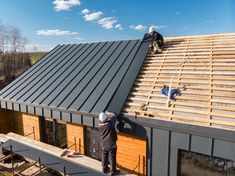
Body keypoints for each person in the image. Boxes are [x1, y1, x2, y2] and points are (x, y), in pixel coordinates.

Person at [98, 111, 120, 175]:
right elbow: (113, 117)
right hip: (111, 145)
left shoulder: (99, 126)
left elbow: (107, 120)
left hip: (104, 144)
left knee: (104, 156)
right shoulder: (109, 125)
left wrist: (106, 114)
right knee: (112, 158)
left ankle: (104, 169)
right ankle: (113, 171)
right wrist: (109, 114)